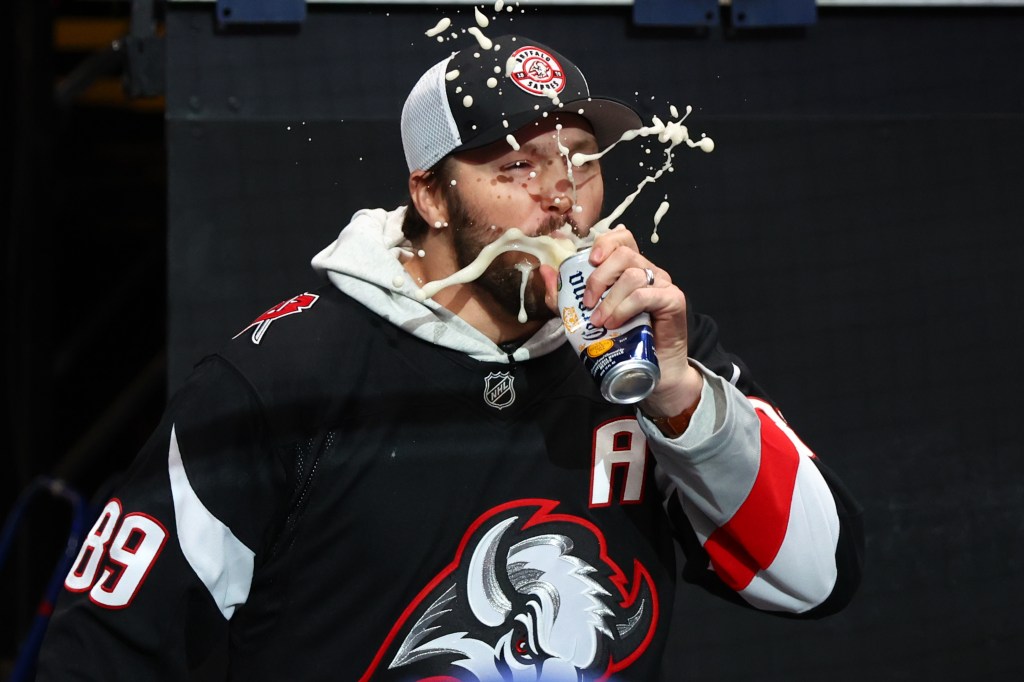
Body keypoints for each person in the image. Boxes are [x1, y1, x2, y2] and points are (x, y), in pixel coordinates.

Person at [37, 35, 863, 681]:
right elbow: (103, 650)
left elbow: (820, 578)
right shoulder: (285, 376)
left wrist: (681, 397)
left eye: (581, 161)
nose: (559, 196)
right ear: (430, 194)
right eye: (516, 165)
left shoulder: (653, 355)